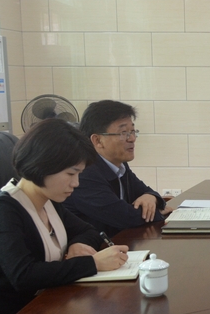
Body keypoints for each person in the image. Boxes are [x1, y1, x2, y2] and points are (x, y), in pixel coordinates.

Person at [0, 119, 130, 314]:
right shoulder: (2, 210)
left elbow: (89, 231)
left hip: (46, 313)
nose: (76, 183)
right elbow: (24, 276)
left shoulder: (49, 201)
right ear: (43, 165)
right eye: (71, 174)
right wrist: (93, 263)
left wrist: (76, 245)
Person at [63, 100, 171, 236]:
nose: (132, 139)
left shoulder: (119, 164)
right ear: (97, 140)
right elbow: (125, 217)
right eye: (123, 133)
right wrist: (158, 212)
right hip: (93, 246)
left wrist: (151, 197)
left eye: (133, 131)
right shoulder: (84, 173)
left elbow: (145, 191)